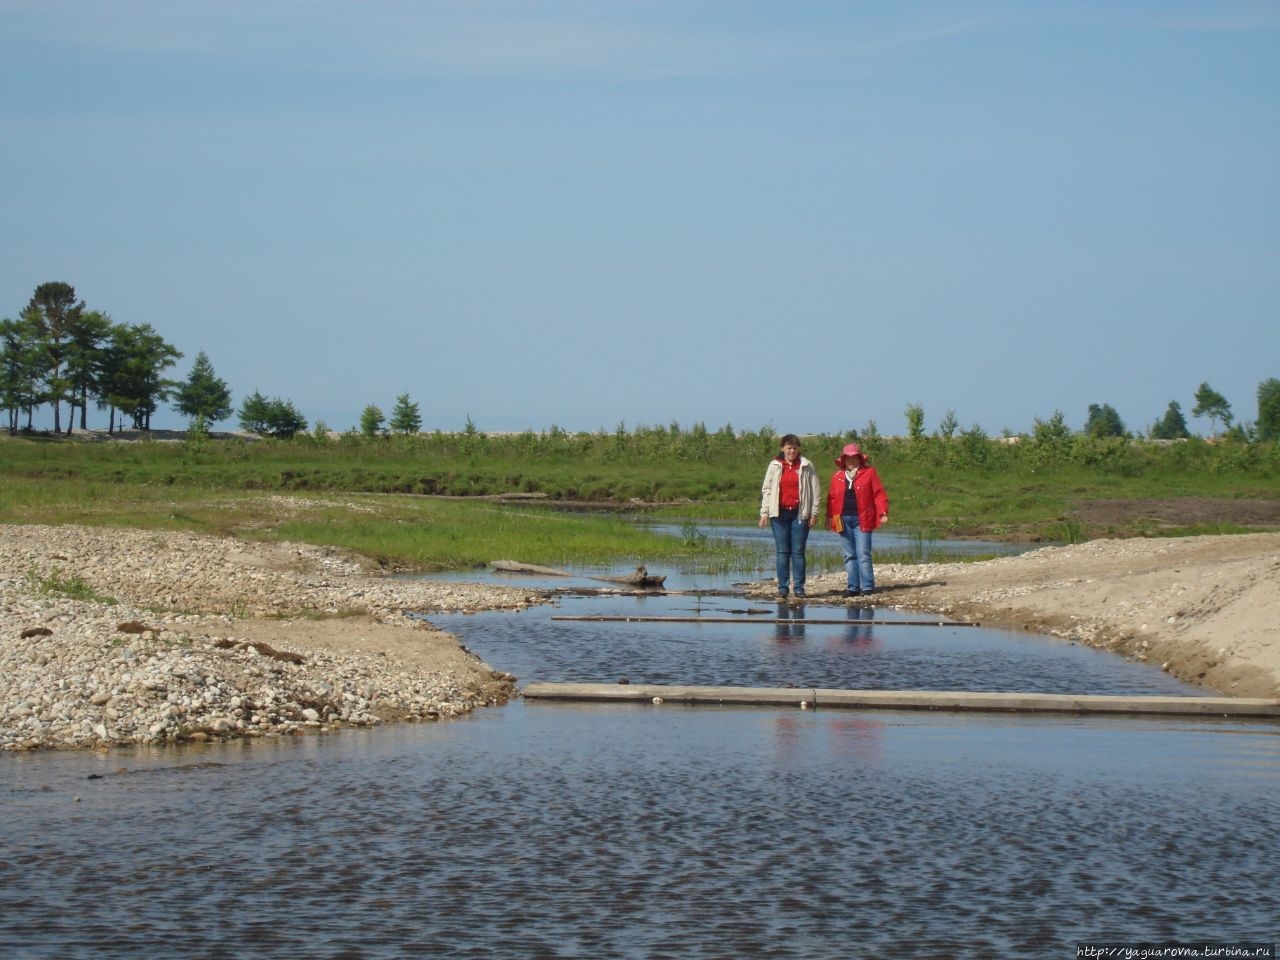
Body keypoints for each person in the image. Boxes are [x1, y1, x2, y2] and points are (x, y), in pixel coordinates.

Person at [759, 433, 821, 599]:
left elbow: (815, 491)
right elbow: (767, 490)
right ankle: (783, 587)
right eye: (789, 448)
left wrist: (814, 513)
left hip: (800, 513)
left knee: (798, 552)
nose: (792, 451)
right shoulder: (775, 465)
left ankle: (799, 588)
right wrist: (764, 512)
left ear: (798, 449)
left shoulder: (806, 465)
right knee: (782, 552)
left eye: (794, 448)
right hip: (778, 513)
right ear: (783, 449)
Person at [826, 442, 889, 597]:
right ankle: (853, 587)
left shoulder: (869, 473)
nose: (851, 461)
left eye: (854, 458)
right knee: (849, 554)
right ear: (844, 460)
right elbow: (831, 498)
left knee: (863, 553)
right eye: (848, 458)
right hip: (842, 519)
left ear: (860, 459)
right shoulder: (837, 476)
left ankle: (867, 586)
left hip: (863, 518)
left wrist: (882, 512)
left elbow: (879, 494)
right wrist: (829, 517)